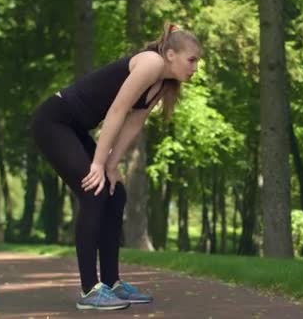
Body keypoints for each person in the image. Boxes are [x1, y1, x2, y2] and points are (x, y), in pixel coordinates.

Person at [29, 23, 201, 311]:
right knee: (94, 191)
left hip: (75, 127)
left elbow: (134, 123)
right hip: (53, 122)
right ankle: (89, 290)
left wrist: (111, 165)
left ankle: (111, 283)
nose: (195, 67)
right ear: (171, 54)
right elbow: (117, 111)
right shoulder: (150, 63)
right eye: (192, 60)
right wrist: (97, 163)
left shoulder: (163, 83)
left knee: (115, 192)